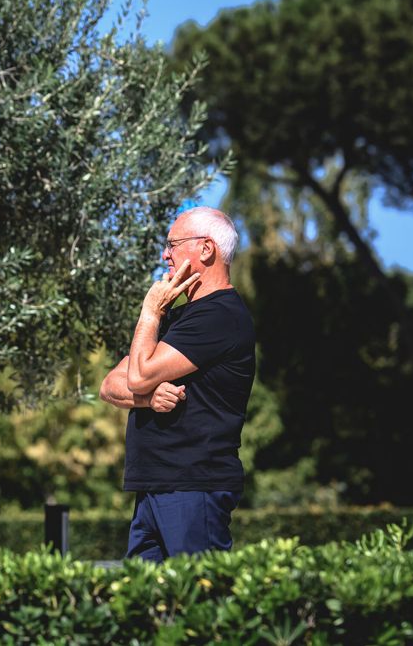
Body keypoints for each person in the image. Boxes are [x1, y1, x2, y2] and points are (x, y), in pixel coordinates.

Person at [99, 206, 255, 561]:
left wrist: (150, 312)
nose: (164, 255)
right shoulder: (182, 316)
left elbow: (136, 375)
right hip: (155, 486)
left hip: (194, 485)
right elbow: (110, 384)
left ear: (206, 249)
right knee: (145, 609)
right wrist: (146, 399)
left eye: (173, 244)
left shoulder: (220, 315)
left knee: (198, 606)